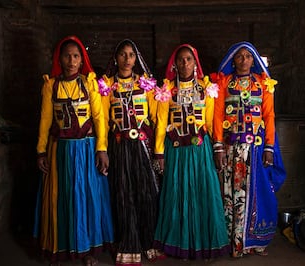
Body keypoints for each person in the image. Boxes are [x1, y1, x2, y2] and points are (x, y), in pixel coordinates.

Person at [33, 35, 114, 266]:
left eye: (76, 56)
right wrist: (40, 151)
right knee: (62, 197)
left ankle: (89, 250)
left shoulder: (89, 83)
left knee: (87, 197)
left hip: (86, 150)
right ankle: (59, 248)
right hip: (60, 151)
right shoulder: (51, 85)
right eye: (67, 56)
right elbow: (45, 120)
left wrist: (102, 148)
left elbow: (99, 118)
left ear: (82, 60)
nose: (71, 60)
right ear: (60, 59)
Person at [153, 44, 230, 260]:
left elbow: (211, 122)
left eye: (189, 59)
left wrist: (218, 148)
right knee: (176, 193)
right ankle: (179, 244)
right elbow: (161, 123)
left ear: (195, 63)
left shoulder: (207, 89)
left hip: (199, 150)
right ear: (175, 65)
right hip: (176, 150)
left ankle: (204, 244)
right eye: (180, 60)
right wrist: (159, 153)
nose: (185, 63)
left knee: (203, 193)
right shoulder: (167, 90)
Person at [210, 41, 286, 257]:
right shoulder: (224, 83)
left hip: (254, 148)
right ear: (233, 60)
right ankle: (229, 241)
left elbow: (269, 116)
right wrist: (218, 146)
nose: (244, 60)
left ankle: (252, 241)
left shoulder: (264, 84)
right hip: (230, 148)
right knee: (229, 193)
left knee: (256, 193)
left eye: (248, 56)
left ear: (254, 60)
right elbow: (217, 115)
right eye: (239, 56)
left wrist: (269, 147)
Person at [97, 39, 164, 266]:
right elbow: (103, 121)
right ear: (115, 58)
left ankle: (148, 243)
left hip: (142, 147)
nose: (127, 59)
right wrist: (102, 150)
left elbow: (157, 119)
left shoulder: (146, 84)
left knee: (145, 193)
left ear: (137, 59)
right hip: (119, 145)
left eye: (131, 55)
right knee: (123, 193)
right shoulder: (106, 86)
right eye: (123, 54)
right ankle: (128, 245)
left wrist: (158, 151)